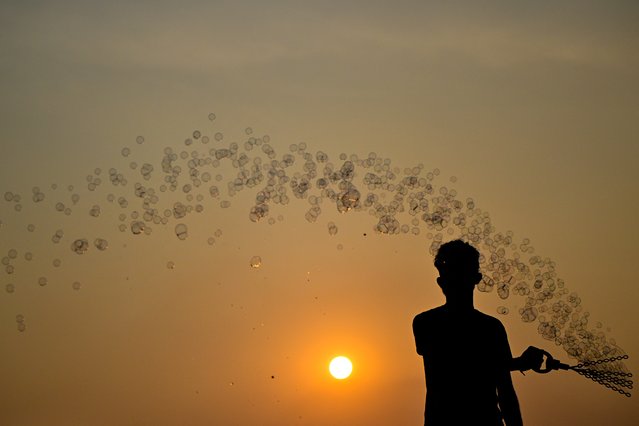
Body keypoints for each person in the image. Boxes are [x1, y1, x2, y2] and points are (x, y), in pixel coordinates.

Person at [413, 240, 542, 426]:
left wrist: (513, 364)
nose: (457, 280)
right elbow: (457, 366)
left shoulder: (428, 322)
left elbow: (505, 391)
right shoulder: (427, 323)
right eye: (453, 273)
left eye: (461, 273)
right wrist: (517, 363)